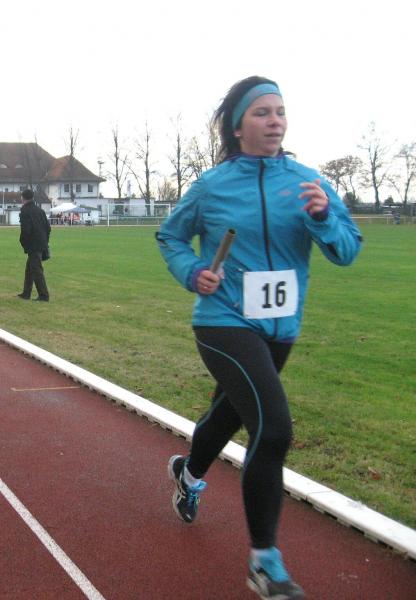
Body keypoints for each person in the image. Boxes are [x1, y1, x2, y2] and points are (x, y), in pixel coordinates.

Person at [156, 76, 362, 600]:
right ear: (237, 126)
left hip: (280, 330)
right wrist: (193, 272)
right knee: (272, 429)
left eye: (280, 112)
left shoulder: (308, 182)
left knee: (229, 414)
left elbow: (346, 250)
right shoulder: (213, 186)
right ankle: (265, 564)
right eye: (262, 113)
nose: (275, 122)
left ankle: (188, 472)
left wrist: (322, 218)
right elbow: (171, 235)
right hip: (222, 322)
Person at [17, 188, 51, 301]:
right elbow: (48, 228)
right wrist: (45, 241)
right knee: (30, 269)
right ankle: (26, 293)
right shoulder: (40, 211)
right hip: (41, 243)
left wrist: (23, 242)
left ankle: (44, 295)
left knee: (36, 270)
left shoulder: (25, 211)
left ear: (23, 198)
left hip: (33, 244)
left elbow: (26, 230)